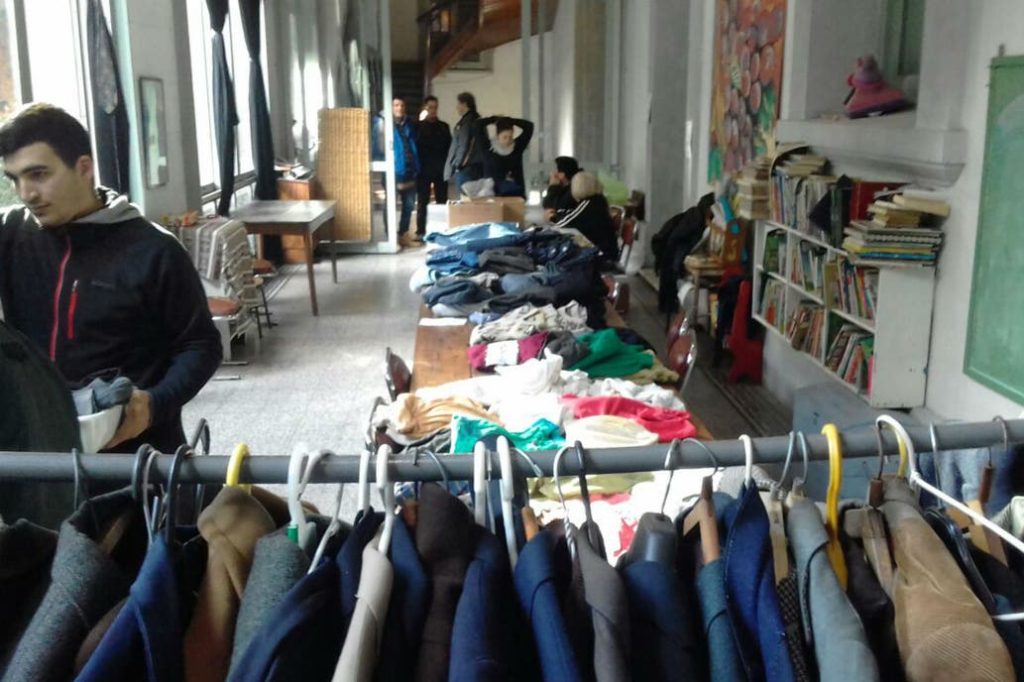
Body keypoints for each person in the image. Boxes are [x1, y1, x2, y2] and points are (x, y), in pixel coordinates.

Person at [0, 103, 222, 453]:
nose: (26, 193)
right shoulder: (11, 235)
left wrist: (153, 404)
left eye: (38, 174)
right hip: (38, 453)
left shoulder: (154, 250)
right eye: (14, 179)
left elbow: (201, 346)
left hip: (135, 454)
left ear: (84, 168)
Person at [552, 171, 619, 265]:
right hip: (606, 253)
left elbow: (563, 223)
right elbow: (574, 215)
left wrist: (552, 217)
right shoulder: (597, 201)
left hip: (600, 256)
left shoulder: (588, 204)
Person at [415, 95, 451, 238]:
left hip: (440, 169)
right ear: (425, 108)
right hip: (423, 170)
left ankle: (443, 229)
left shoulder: (444, 127)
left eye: (435, 107)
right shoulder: (417, 127)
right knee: (422, 201)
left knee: (442, 201)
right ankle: (421, 231)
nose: (433, 110)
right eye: (430, 107)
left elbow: (449, 148)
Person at [387, 96, 420, 246]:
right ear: (391, 107)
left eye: (402, 105)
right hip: (393, 171)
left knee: (409, 204)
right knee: (390, 205)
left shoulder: (408, 124)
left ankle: (403, 234)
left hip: (409, 169)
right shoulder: (384, 124)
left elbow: (412, 144)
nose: (399, 108)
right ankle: (390, 238)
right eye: (396, 105)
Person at [475, 115, 534, 198]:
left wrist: (511, 120)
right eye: (504, 137)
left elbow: (529, 126)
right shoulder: (487, 148)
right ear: (497, 135)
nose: (508, 140)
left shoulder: (517, 147)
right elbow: (477, 125)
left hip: (515, 193)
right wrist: (494, 119)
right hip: (492, 194)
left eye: (510, 137)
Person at [444, 92, 482, 195]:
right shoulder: (478, 120)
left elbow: (463, 146)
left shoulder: (466, 123)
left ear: (464, 104)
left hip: (466, 168)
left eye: (458, 104)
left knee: (464, 200)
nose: (457, 107)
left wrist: (458, 165)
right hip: (478, 167)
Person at [542, 155, 581, 220]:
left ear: (562, 174)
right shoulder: (561, 189)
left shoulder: (572, 192)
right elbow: (546, 207)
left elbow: (551, 209)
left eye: (555, 170)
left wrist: (553, 187)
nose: (552, 173)